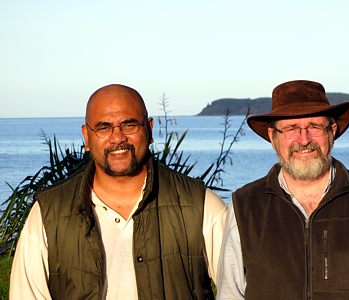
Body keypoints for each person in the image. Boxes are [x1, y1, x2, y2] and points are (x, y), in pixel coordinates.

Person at [10, 84, 227, 299]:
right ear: (87, 137)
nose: (117, 138)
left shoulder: (200, 205)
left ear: (149, 129)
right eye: (104, 127)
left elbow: (240, 289)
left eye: (129, 124)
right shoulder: (49, 213)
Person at [216, 80, 349, 299]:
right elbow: (230, 294)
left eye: (314, 127)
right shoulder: (245, 206)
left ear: (331, 132)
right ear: (273, 138)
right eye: (291, 128)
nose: (304, 140)